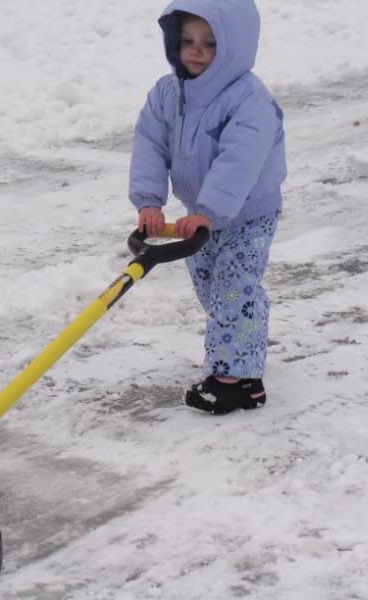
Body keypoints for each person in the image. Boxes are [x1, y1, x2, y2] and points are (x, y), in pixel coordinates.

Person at [128, 0, 287, 414]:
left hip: (248, 213)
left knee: (233, 287)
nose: (195, 51)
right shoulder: (167, 93)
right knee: (212, 289)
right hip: (199, 215)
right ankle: (243, 339)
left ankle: (237, 381)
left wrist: (211, 210)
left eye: (211, 43)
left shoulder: (248, 99)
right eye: (187, 41)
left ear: (235, 47)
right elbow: (150, 144)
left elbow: (241, 160)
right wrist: (149, 201)